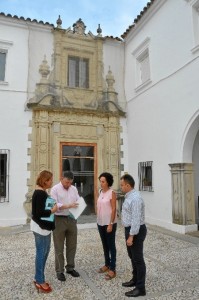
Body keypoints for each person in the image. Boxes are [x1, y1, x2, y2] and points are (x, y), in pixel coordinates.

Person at [31, 170, 57, 294]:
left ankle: (38, 277)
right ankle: (40, 281)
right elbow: (38, 213)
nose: (52, 181)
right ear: (45, 181)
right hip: (40, 228)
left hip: (43, 228)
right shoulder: (40, 193)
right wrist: (52, 210)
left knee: (44, 252)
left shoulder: (42, 192)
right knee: (41, 253)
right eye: (50, 179)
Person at [120, 174, 147, 298]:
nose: (121, 187)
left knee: (138, 259)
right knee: (132, 257)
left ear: (128, 185)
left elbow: (136, 220)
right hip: (130, 230)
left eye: (122, 185)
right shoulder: (129, 196)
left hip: (135, 231)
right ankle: (135, 279)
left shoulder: (135, 199)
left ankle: (140, 288)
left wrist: (131, 236)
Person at [51, 171, 80, 281]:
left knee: (72, 245)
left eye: (70, 182)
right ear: (61, 178)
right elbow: (54, 204)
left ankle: (70, 267)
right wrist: (68, 205)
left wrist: (79, 205)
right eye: (67, 182)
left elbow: (77, 200)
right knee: (59, 246)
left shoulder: (74, 189)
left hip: (72, 219)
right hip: (59, 220)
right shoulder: (55, 189)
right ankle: (59, 270)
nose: (68, 184)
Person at [97, 172, 117, 280]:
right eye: (100, 181)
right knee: (104, 245)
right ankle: (107, 264)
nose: (101, 183)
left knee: (111, 246)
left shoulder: (112, 192)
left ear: (108, 182)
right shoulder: (100, 191)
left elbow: (114, 208)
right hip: (100, 222)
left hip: (109, 223)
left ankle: (113, 268)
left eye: (103, 181)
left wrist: (111, 223)